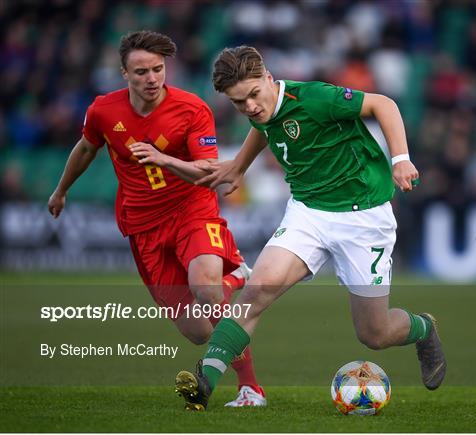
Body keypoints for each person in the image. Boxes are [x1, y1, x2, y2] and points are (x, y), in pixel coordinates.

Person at [175, 46, 447, 411]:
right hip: (308, 214)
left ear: (269, 78)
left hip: (363, 218)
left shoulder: (315, 97)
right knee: (255, 293)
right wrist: (239, 165)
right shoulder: (261, 109)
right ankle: (205, 381)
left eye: (254, 95)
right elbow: (263, 127)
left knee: (374, 333)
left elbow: (384, 104)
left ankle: (423, 329)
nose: (250, 107)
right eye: (239, 103)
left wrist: (400, 160)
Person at [47, 33, 266, 408]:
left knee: (207, 289)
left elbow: (207, 172)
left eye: (159, 69)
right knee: (197, 331)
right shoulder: (103, 111)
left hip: (192, 210)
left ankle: (250, 388)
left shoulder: (192, 109)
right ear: (124, 73)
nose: (152, 78)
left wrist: (165, 160)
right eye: (142, 71)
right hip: (144, 227)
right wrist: (61, 190)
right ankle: (236, 276)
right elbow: (86, 148)